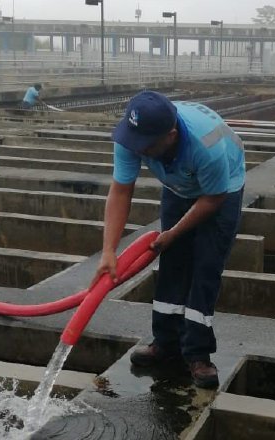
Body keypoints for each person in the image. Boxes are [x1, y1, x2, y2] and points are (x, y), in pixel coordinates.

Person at [93, 91, 245, 389]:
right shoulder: (133, 136)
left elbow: (213, 198)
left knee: (205, 266)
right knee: (173, 263)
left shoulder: (206, 145)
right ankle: (165, 342)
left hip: (221, 188)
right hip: (179, 185)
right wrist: (109, 250)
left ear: (170, 135)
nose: (137, 149)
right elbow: (121, 191)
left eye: (146, 146)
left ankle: (198, 354)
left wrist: (173, 233)